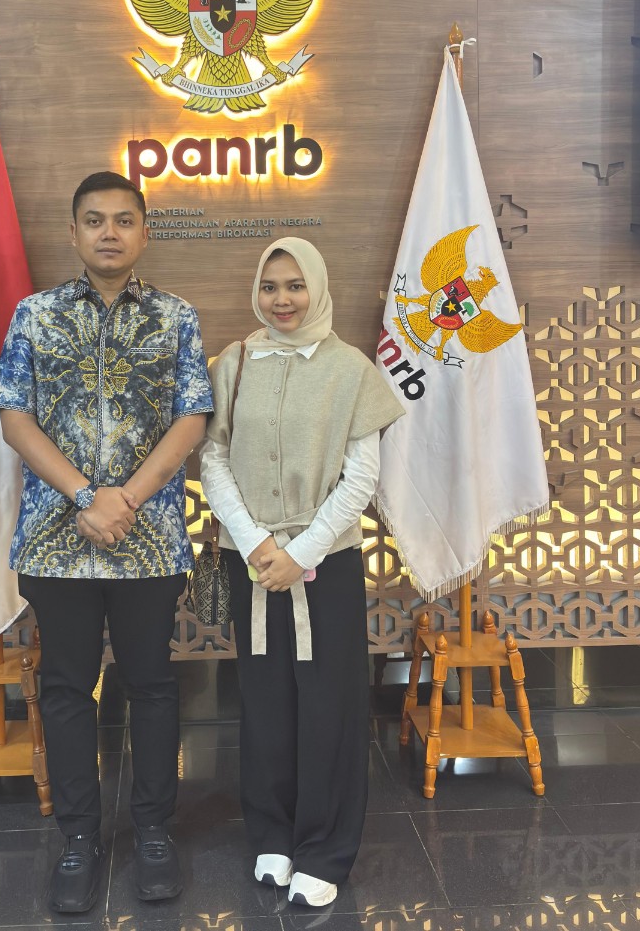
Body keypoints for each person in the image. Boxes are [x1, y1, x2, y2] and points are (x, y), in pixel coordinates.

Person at [0, 171, 213, 913]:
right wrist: (87, 496)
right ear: (75, 232)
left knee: (151, 684)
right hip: (57, 541)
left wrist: (127, 500)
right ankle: (79, 837)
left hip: (148, 540)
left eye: (123, 219)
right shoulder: (35, 315)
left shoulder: (176, 317)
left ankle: (153, 831)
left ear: (144, 231)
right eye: (94, 220)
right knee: (65, 688)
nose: (109, 232)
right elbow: (14, 416)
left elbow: (191, 419)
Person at [199, 237, 404, 908]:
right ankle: (273, 833)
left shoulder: (351, 369)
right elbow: (213, 459)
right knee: (264, 698)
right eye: (270, 286)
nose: (281, 299)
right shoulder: (232, 363)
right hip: (253, 561)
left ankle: (324, 846)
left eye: (294, 285)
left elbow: (360, 478)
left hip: (325, 563)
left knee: (328, 703)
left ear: (316, 287)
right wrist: (257, 543)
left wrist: (301, 553)